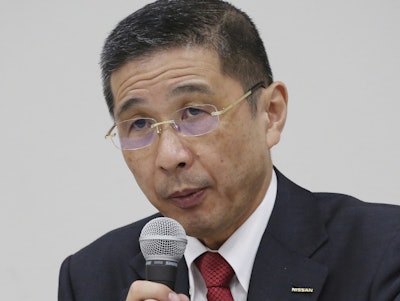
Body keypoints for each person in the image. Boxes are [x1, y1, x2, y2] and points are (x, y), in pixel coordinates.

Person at [58, 0, 400, 300]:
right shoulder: (90, 278)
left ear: (271, 113)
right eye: (140, 124)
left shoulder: (383, 251)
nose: (169, 157)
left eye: (194, 113)